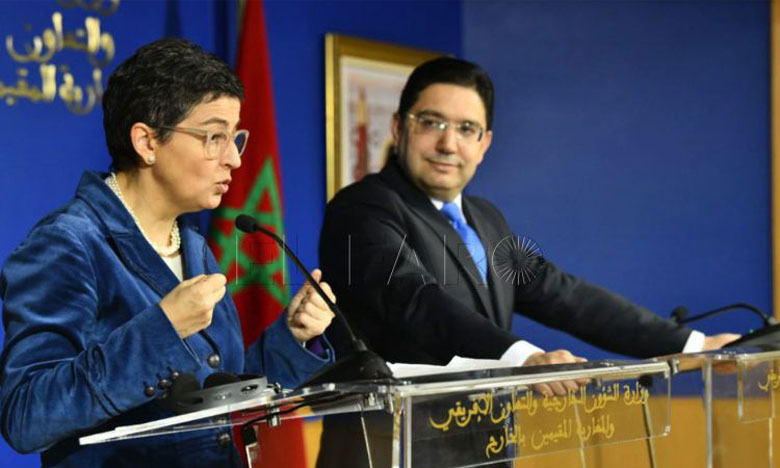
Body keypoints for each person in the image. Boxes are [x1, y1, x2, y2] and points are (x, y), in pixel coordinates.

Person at [0, 38, 336, 468]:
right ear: (147, 142)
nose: (234, 159)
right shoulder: (67, 243)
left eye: (235, 138)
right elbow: (27, 415)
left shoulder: (192, 244)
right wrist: (163, 329)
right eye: (214, 137)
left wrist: (292, 338)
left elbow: (211, 398)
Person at [320, 56, 739, 377]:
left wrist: (694, 344)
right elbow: (415, 301)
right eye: (432, 123)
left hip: (486, 442)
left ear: (484, 145)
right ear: (398, 128)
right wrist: (522, 357)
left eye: (466, 129)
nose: (449, 144)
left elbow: (564, 297)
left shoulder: (485, 219)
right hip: (391, 444)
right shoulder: (362, 210)